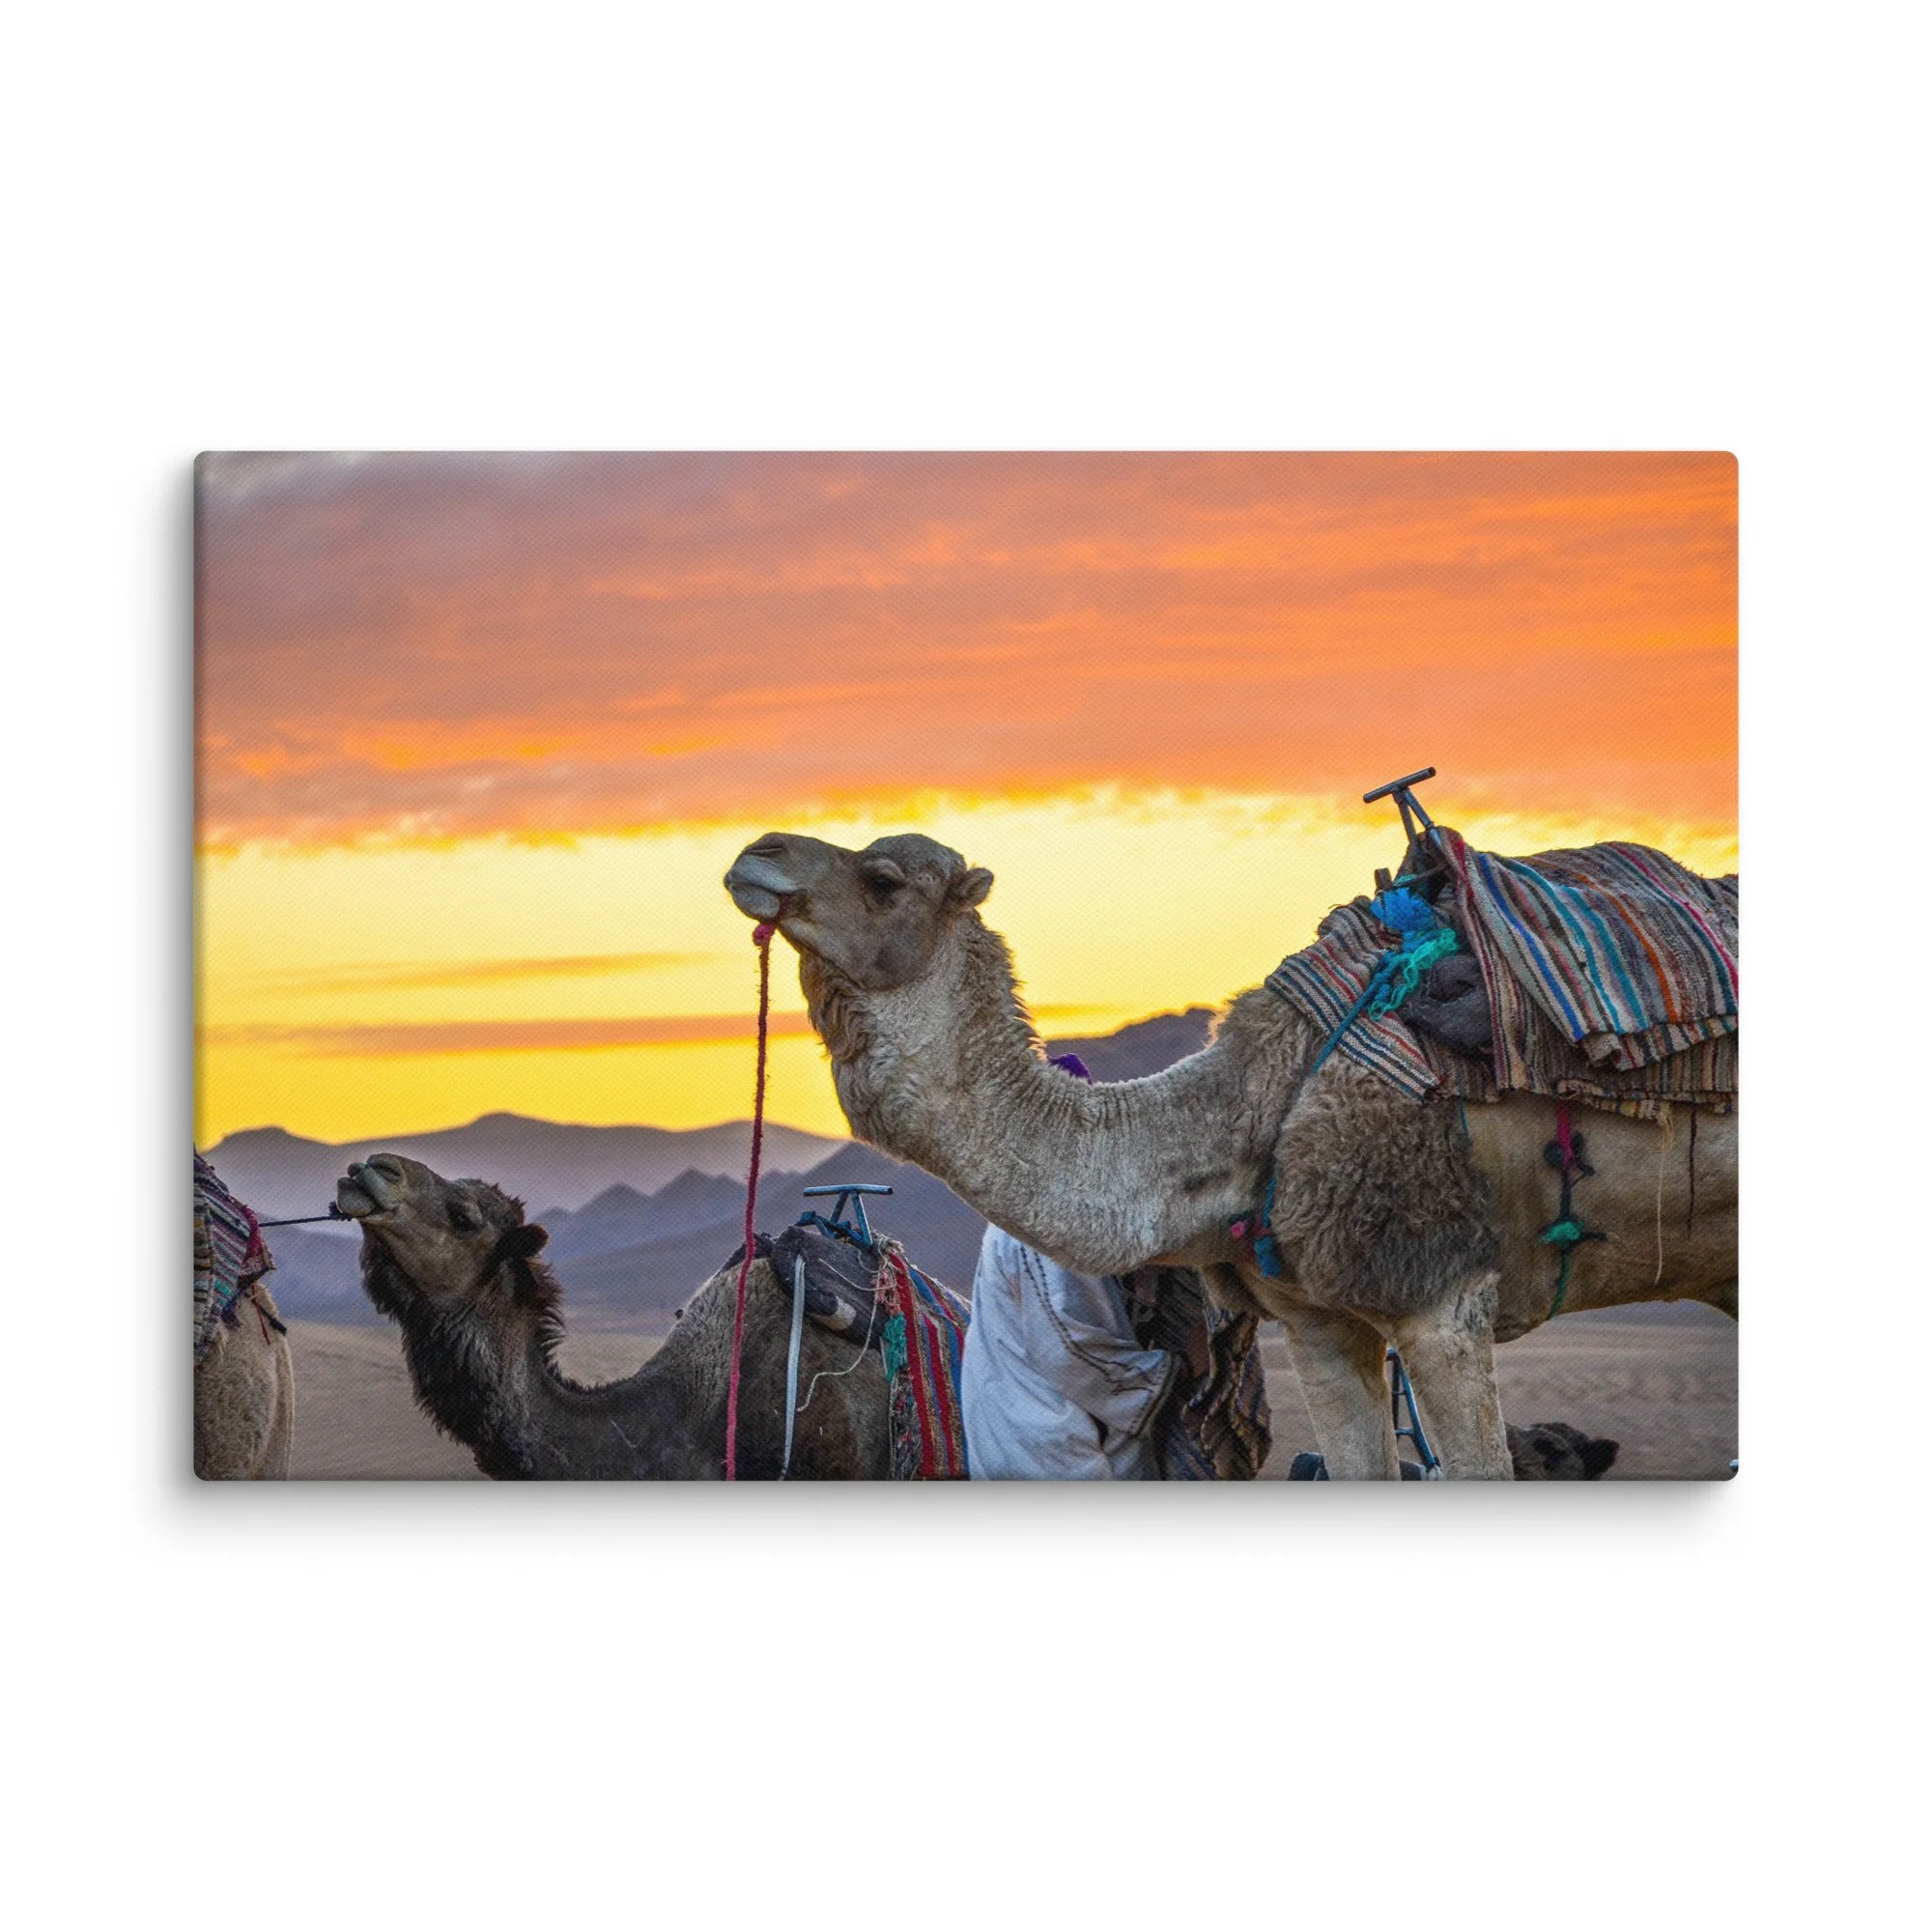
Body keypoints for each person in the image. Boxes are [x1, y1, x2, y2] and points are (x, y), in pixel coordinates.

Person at [959, 1053, 1181, 1479]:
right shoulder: (1045, 1220)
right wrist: (1167, 1374)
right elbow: (1067, 1344)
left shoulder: (1020, 1207)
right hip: (1053, 1445)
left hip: (1013, 1428)